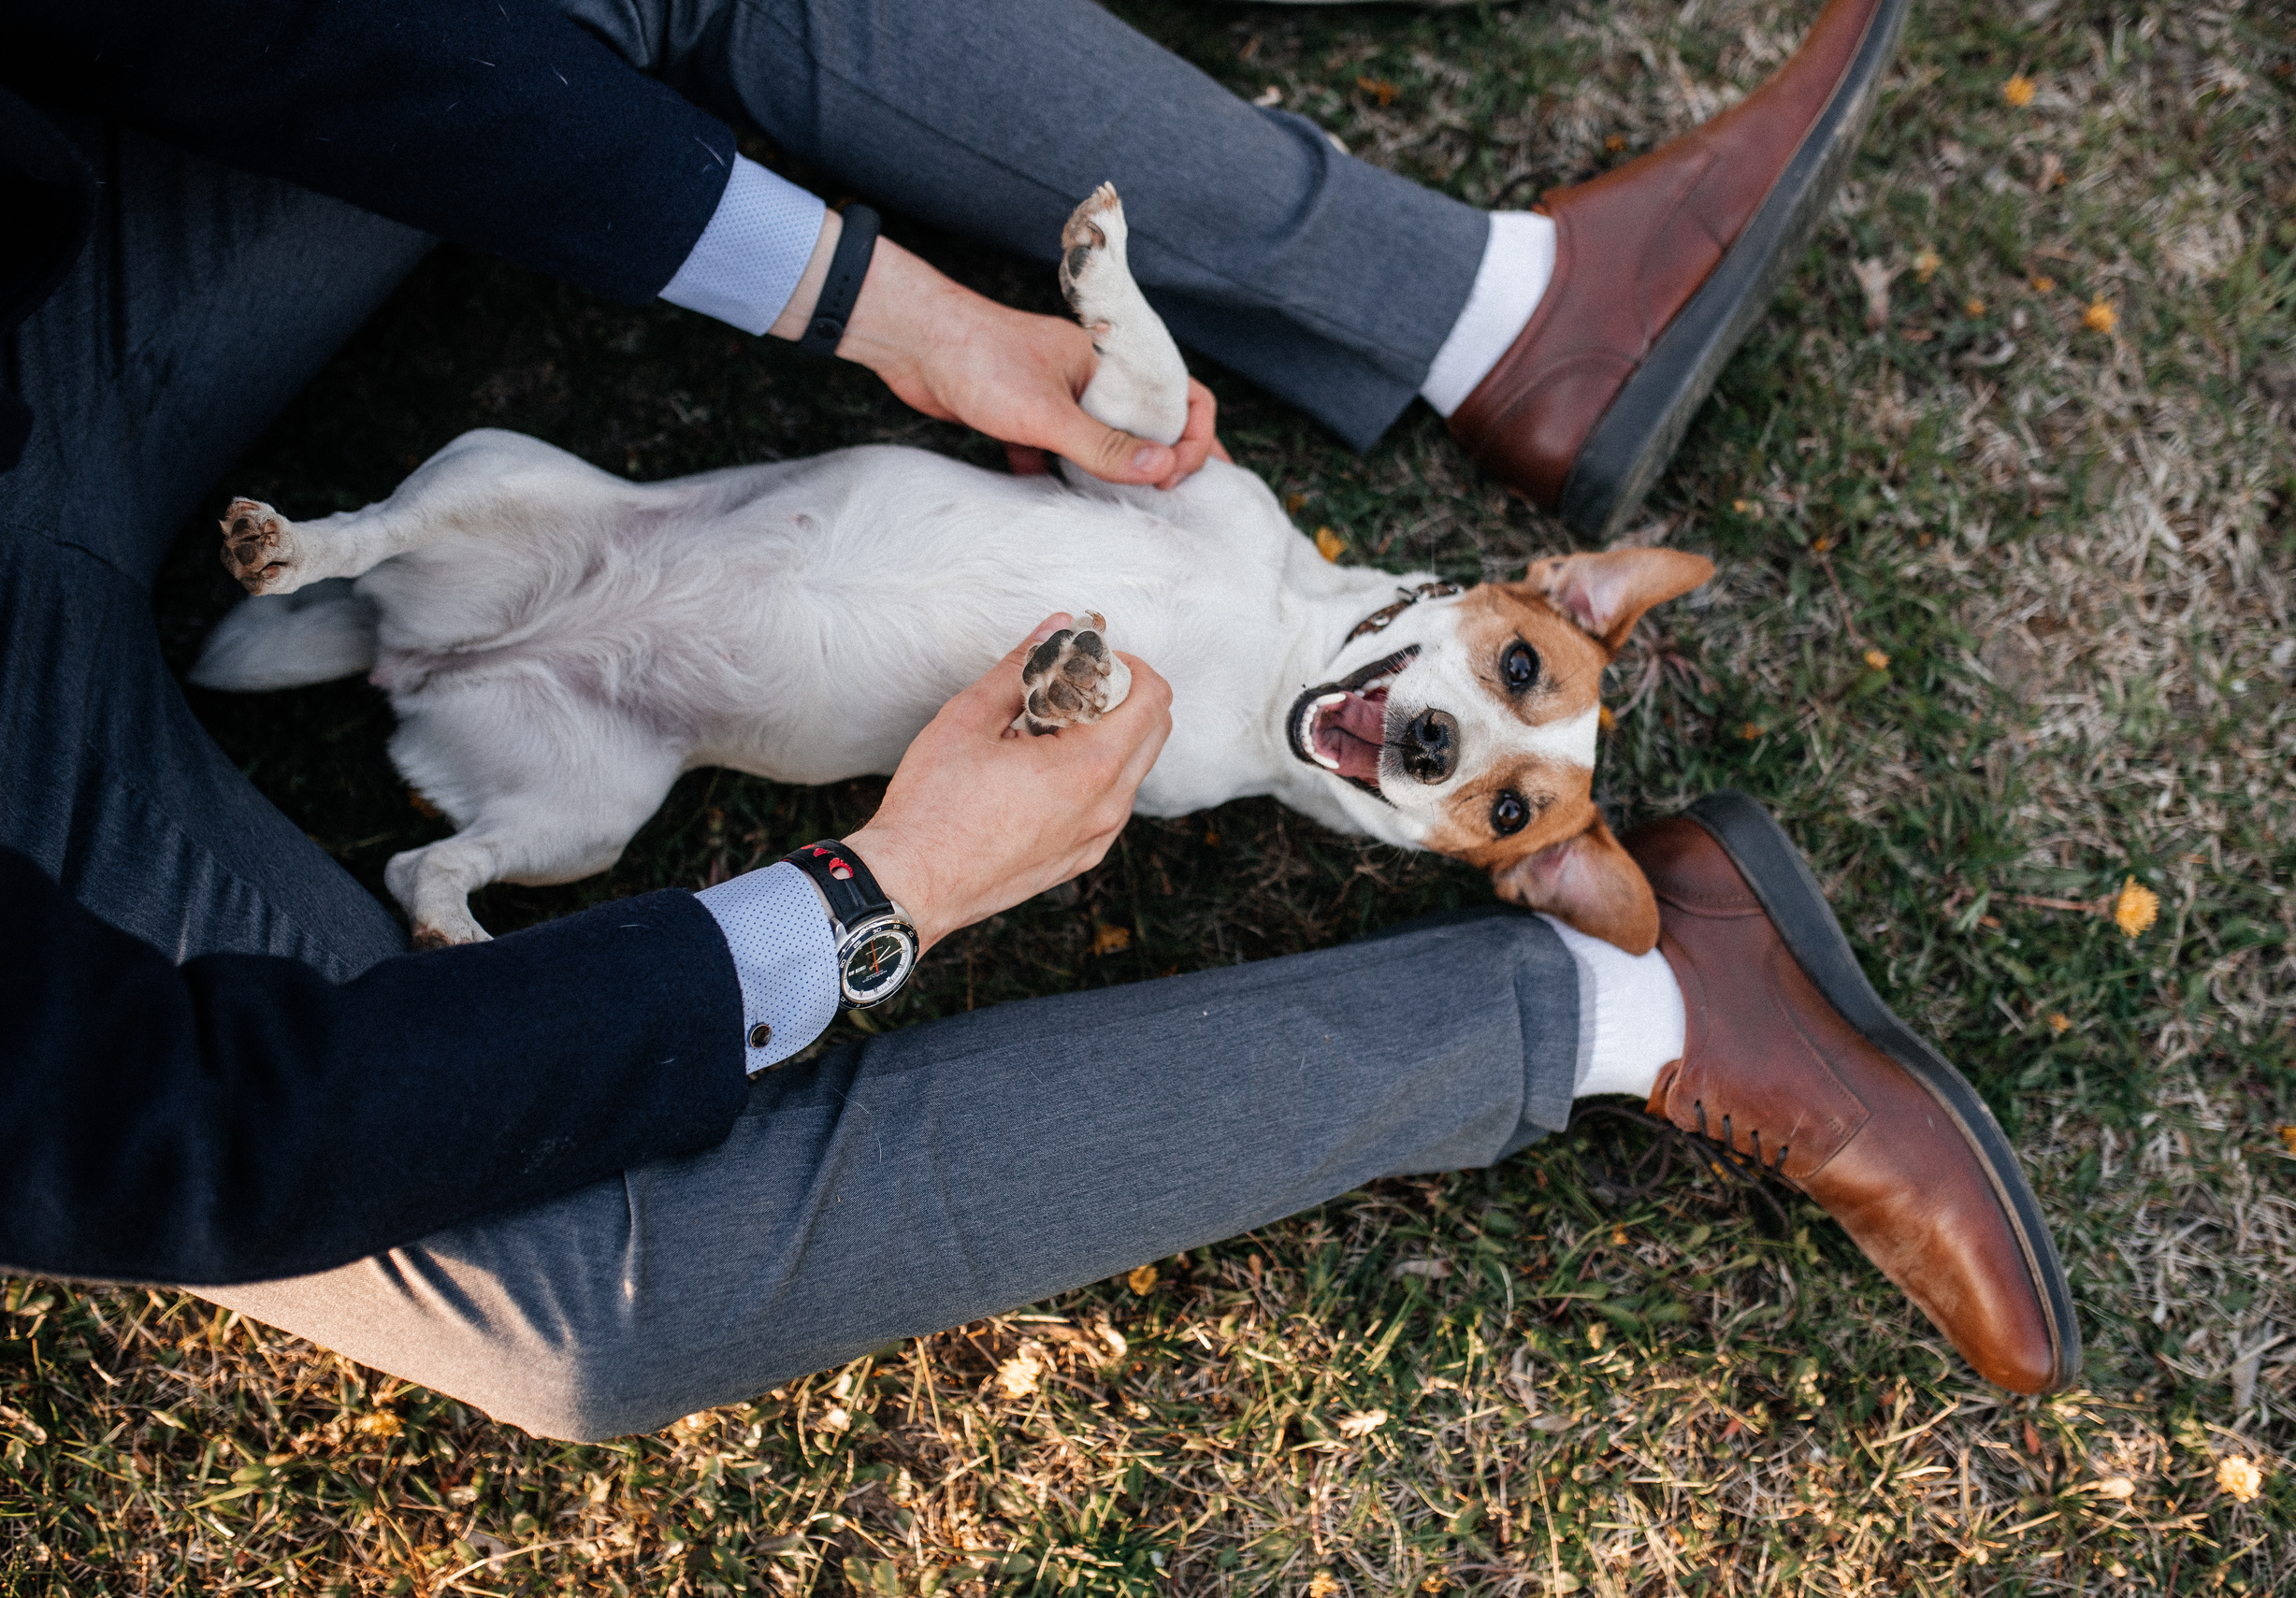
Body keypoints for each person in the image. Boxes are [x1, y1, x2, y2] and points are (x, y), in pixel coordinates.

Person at [0, 0, 2076, 1439]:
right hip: (52, 876)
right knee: (588, 1304)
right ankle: (1622, 1014)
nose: (1464, 726)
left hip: (47, 313)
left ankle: (1497, 316)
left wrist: (882, 309)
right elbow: (180, 1133)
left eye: (1508, 736)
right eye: (1507, 714)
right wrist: (869, 898)